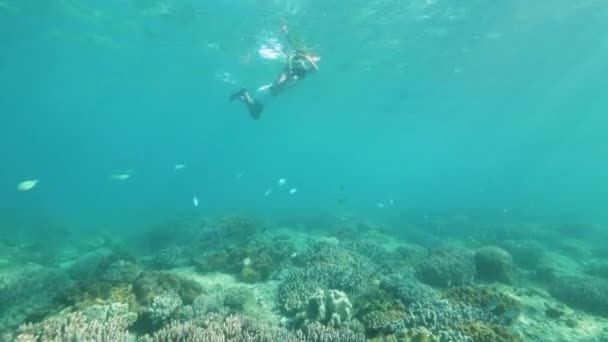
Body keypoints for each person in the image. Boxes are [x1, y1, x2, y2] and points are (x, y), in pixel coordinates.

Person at [230, 24, 320, 120]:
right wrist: (305, 59)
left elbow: (315, 70)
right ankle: (243, 94)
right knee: (255, 114)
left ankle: (241, 95)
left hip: (266, 94)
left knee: (255, 112)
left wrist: (308, 59)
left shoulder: (299, 72)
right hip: (266, 94)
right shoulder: (291, 72)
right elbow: (282, 80)